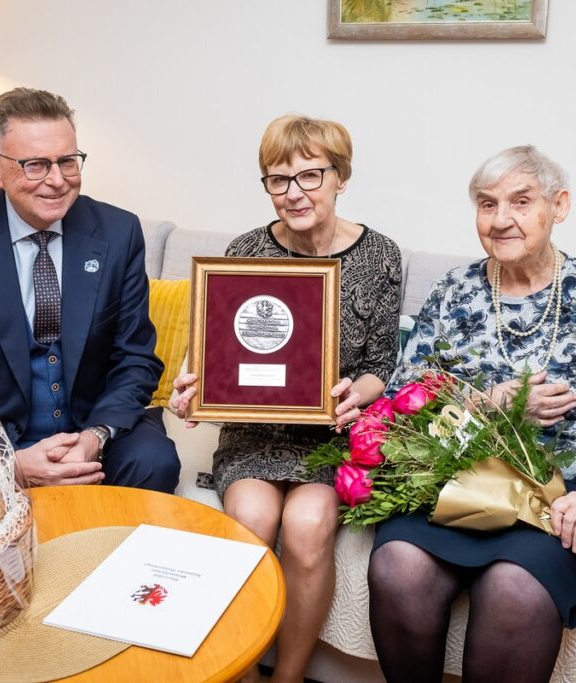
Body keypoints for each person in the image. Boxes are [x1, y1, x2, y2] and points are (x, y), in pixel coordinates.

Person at [368, 145, 576, 683]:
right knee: (398, 566)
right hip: (457, 486)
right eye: (487, 205)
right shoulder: (455, 292)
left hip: (556, 502)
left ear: (558, 206)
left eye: (520, 201)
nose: (501, 219)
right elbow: (400, 405)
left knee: (513, 587)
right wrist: (493, 403)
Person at [170, 115, 402, 683]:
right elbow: (211, 348)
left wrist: (356, 396)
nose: (294, 193)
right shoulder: (245, 249)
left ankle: (290, 677)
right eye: (279, 180)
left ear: (341, 177)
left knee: (307, 524)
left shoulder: (380, 257)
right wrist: (190, 384)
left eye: (310, 176)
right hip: (255, 430)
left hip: (331, 435)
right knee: (249, 517)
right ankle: (241, 670)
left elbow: (379, 368)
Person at [0, 87, 180, 493]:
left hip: (92, 430)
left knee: (154, 461)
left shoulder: (117, 232)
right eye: (35, 165)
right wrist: (6, 461)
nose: (56, 181)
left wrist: (94, 438)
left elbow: (136, 358)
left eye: (68, 162)